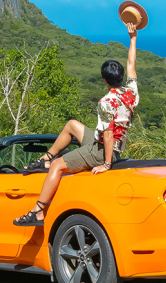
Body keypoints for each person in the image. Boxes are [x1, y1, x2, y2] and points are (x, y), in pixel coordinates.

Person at [12, 21, 139, 228]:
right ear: (121, 77)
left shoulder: (106, 102)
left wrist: (106, 164)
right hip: (109, 146)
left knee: (57, 167)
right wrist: (133, 38)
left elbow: (108, 135)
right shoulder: (131, 93)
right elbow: (132, 63)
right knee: (72, 125)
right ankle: (46, 158)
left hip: (102, 150)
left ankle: (38, 210)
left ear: (104, 80)